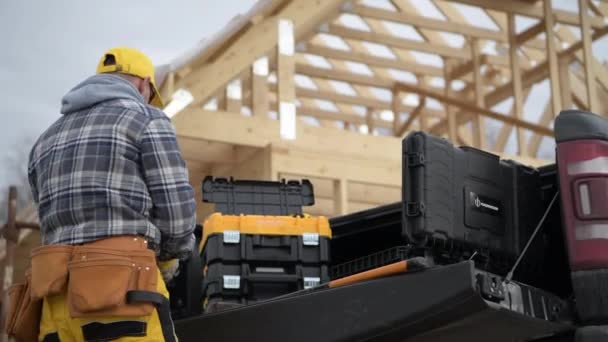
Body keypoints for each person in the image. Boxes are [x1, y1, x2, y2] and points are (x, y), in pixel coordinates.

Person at [27, 47, 196, 341]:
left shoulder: (45, 140)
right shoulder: (147, 119)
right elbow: (178, 215)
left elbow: (46, 218)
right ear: (144, 83)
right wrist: (169, 258)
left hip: (54, 300)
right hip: (123, 293)